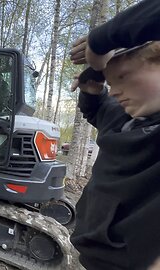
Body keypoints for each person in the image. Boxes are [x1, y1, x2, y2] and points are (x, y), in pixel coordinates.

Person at [69, 0, 160, 269]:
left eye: (123, 76)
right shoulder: (128, 120)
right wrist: (91, 89)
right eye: (110, 83)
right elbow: (101, 112)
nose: (115, 90)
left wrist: (101, 41)